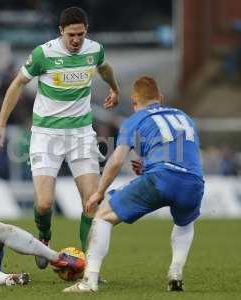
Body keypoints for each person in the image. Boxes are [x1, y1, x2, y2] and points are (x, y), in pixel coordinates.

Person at [0, 7, 120, 269]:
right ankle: (44, 236)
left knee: (92, 202)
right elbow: (17, 84)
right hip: (46, 135)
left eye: (80, 34)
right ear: (61, 32)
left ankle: (88, 267)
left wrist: (114, 88)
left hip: (81, 133)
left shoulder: (94, 50)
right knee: (45, 204)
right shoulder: (43, 54)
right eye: (71, 35)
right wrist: (0, 124)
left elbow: (104, 68)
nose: (76, 40)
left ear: (86, 32)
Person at [64, 76, 205, 293]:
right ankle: (175, 272)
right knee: (185, 222)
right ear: (161, 98)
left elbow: (117, 160)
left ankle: (89, 281)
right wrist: (149, 165)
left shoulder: (134, 120)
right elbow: (184, 155)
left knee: (103, 215)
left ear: (134, 102)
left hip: (161, 178)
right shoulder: (184, 117)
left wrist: (99, 192)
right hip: (194, 182)